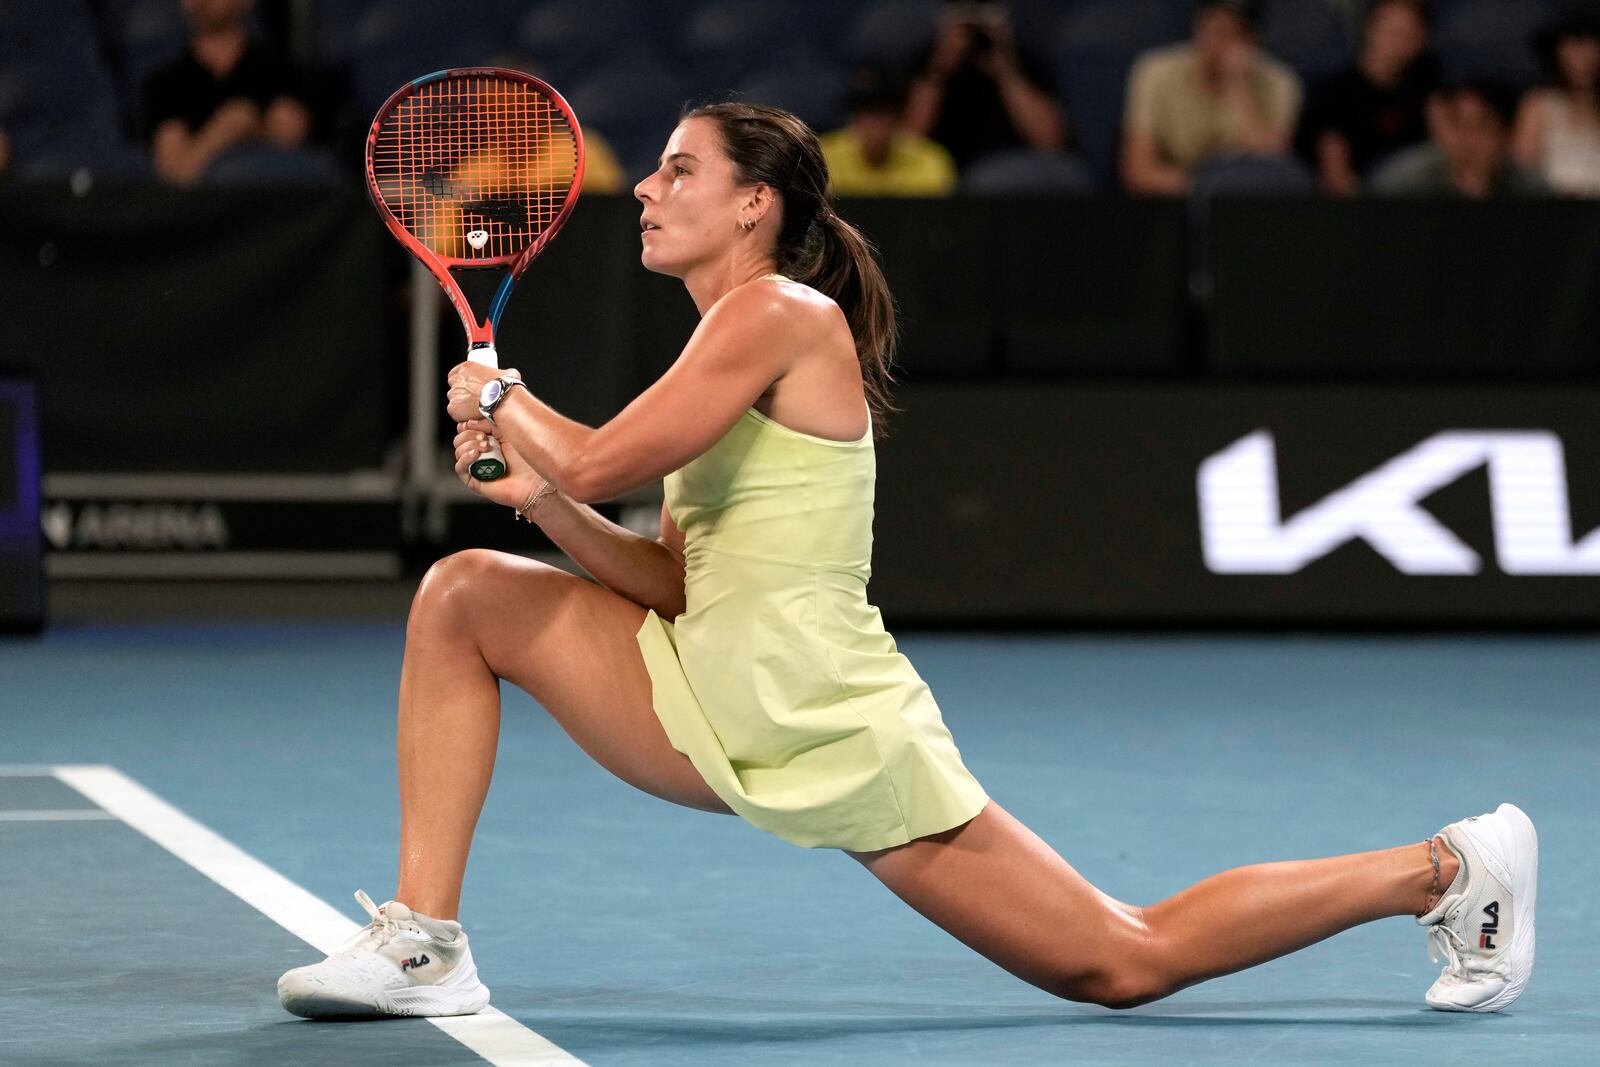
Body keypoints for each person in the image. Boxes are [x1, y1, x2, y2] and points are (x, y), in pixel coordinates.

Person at [276, 102, 1538, 1020]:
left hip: (822, 710)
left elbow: (600, 455)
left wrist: (506, 404)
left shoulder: (779, 311)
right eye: (652, 174)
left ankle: (1443, 869)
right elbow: (669, 576)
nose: (648, 192)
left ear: (753, 203)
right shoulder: (725, 330)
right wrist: (541, 504)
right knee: (466, 593)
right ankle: (424, 942)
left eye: (677, 171)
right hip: (705, 674)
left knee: (1119, 958)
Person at [1122, 0, 1303, 196]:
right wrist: (1210, 188)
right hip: (1176, 200)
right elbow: (1137, 172)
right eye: (1209, 29)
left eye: (1231, 34)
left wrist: (1237, 85)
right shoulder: (1156, 72)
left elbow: (1273, 168)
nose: (1214, 42)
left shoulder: (1279, 81)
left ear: (1252, 40)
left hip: (1248, 200)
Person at [141, 0, 311, 186]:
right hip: (200, 208)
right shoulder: (165, 83)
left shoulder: (279, 72)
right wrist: (230, 128)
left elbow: (289, 138)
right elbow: (173, 167)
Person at [1297, 0, 1441, 197]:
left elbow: (1445, 151)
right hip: (1367, 202)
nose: (1399, 42)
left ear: (1422, 40)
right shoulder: (1336, 93)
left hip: (1423, 200)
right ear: (1371, 29)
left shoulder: (1429, 85)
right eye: (1392, 31)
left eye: (1410, 34)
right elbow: (1335, 174)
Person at [905, 1, 1068, 172]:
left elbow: (1050, 142)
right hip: (945, 174)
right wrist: (941, 69)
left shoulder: (1023, 60)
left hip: (1016, 173)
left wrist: (1007, 71)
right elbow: (908, 141)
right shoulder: (928, 60)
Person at [1373, 79, 1548, 198]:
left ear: (1505, 133)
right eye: (1459, 126)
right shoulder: (1408, 182)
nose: (1470, 139)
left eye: (1482, 127)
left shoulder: (1529, 189)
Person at [819, 64, 957, 196]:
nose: (876, 126)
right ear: (855, 116)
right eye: (869, 112)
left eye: (885, 114)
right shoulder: (824, 156)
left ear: (898, 118)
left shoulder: (930, 160)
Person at [1514, 13, 1600, 197]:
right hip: (1553, 213)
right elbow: (1522, 170)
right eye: (1575, 46)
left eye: (1592, 46)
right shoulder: (1538, 103)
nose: (1585, 57)